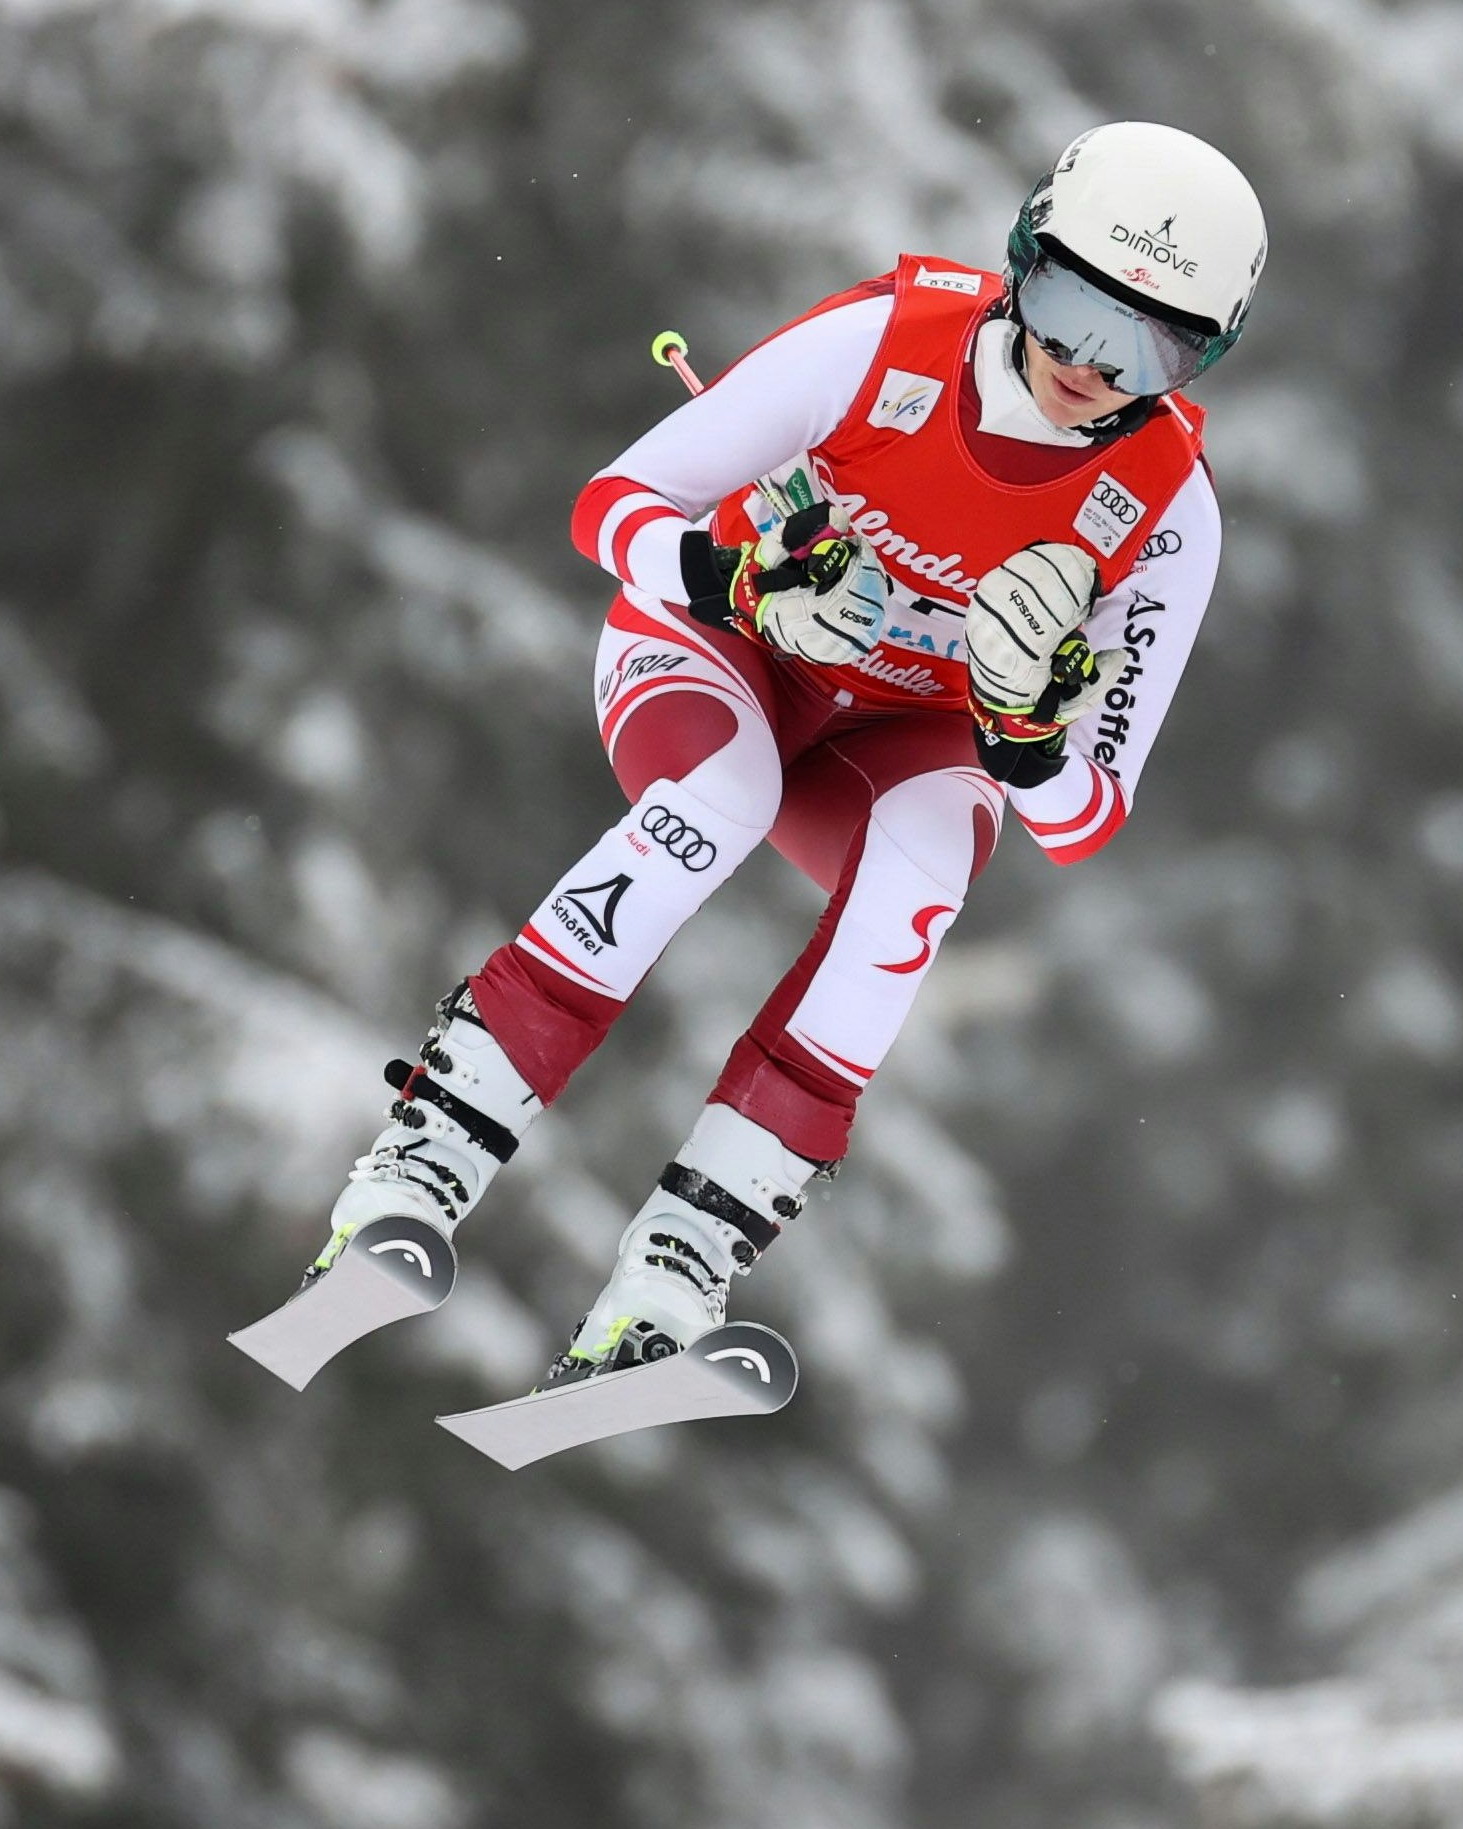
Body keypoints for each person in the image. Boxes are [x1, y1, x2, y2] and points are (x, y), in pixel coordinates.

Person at [310, 120, 1263, 1387]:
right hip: (725, 659)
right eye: (1069, 300)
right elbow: (614, 504)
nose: (1087, 362)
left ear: (1202, 357)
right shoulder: (889, 340)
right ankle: (428, 1156)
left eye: (1149, 341)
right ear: (1022, 257)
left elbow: (1086, 815)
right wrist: (737, 577)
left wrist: (1029, 733)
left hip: (899, 733)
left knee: (927, 868)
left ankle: (679, 1266)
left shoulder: (1167, 508)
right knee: (722, 796)